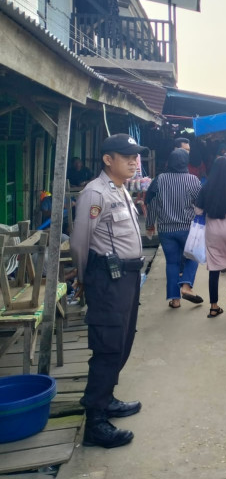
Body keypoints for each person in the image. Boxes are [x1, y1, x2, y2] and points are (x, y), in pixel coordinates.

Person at [71, 134, 148, 448]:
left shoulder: (121, 189)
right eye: (126, 156)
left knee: (122, 341)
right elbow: (79, 243)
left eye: (135, 156)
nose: (133, 162)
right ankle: (95, 422)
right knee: (107, 347)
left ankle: (107, 398)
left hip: (126, 278)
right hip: (107, 280)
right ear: (107, 159)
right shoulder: (95, 192)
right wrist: (85, 280)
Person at [144, 149, 203, 309]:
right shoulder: (193, 180)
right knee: (193, 256)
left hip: (166, 230)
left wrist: (150, 224)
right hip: (187, 228)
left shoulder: (160, 180)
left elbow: (153, 204)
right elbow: (200, 204)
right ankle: (186, 286)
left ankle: (175, 300)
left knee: (172, 263)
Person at [195, 156, 226, 317]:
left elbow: (198, 211)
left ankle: (214, 306)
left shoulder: (206, 188)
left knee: (214, 268)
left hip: (212, 231)